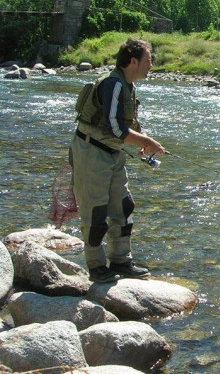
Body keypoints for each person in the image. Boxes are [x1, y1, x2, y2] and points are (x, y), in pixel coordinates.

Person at [70, 38, 166, 283]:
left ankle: (121, 261)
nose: (151, 65)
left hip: (112, 153)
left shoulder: (127, 85)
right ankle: (97, 267)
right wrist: (147, 141)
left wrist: (141, 143)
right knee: (96, 212)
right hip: (92, 153)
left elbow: (125, 123)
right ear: (133, 61)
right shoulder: (112, 84)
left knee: (123, 207)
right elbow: (115, 128)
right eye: (148, 60)